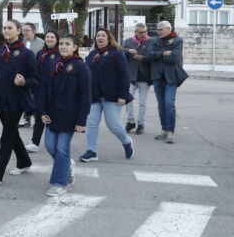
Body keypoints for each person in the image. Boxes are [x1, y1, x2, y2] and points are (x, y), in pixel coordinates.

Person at [0, 19, 37, 188]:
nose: (6, 30)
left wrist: (24, 82)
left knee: (6, 136)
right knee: (12, 133)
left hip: (17, 101)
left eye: (10, 28)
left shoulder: (26, 54)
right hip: (1, 100)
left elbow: (35, 79)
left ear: (18, 30)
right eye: (4, 28)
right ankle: (24, 162)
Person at [37, 34, 91, 196]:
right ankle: (67, 166)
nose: (63, 46)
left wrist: (82, 120)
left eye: (67, 44)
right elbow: (43, 90)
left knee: (61, 149)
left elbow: (85, 96)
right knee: (49, 146)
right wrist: (42, 111)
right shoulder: (53, 64)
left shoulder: (81, 67)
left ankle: (60, 183)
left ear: (75, 47)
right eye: (61, 44)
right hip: (52, 115)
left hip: (70, 116)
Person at [79, 28, 134, 162]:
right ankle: (91, 151)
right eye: (98, 35)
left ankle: (126, 142)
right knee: (92, 123)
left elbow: (124, 75)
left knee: (113, 124)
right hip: (94, 95)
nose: (100, 38)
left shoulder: (117, 54)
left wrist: (123, 95)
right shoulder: (92, 54)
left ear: (109, 38)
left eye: (103, 35)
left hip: (113, 95)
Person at [145, 21, 189, 144]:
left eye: (161, 30)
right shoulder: (155, 41)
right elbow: (148, 55)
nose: (158, 32)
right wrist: (163, 53)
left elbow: (175, 58)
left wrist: (157, 56)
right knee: (161, 104)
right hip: (157, 76)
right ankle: (164, 129)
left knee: (169, 103)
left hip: (171, 77)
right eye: (158, 30)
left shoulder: (177, 40)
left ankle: (170, 131)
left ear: (169, 29)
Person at [26, 31, 60, 153]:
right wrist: (32, 90)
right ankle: (35, 142)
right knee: (39, 116)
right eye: (47, 37)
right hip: (40, 90)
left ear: (57, 40)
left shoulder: (60, 53)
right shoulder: (41, 53)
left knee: (53, 116)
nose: (49, 39)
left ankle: (56, 142)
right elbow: (35, 72)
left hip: (55, 91)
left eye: (52, 37)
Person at [122, 23, 152, 135]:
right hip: (131, 77)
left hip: (145, 77)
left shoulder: (151, 42)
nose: (144, 34)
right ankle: (130, 122)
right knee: (128, 100)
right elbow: (120, 50)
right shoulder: (128, 41)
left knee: (142, 103)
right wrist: (128, 51)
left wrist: (144, 58)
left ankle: (141, 124)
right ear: (135, 32)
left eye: (145, 32)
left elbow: (154, 56)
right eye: (141, 32)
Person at [20, 23, 45, 127]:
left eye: (27, 30)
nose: (24, 32)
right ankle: (26, 119)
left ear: (34, 31)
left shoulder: (41, 43)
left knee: (35, 96)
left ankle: (37, 118)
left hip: (36, 74)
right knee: (25, 96)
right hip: (23, 75)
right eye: (23, 30)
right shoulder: (21, 42)